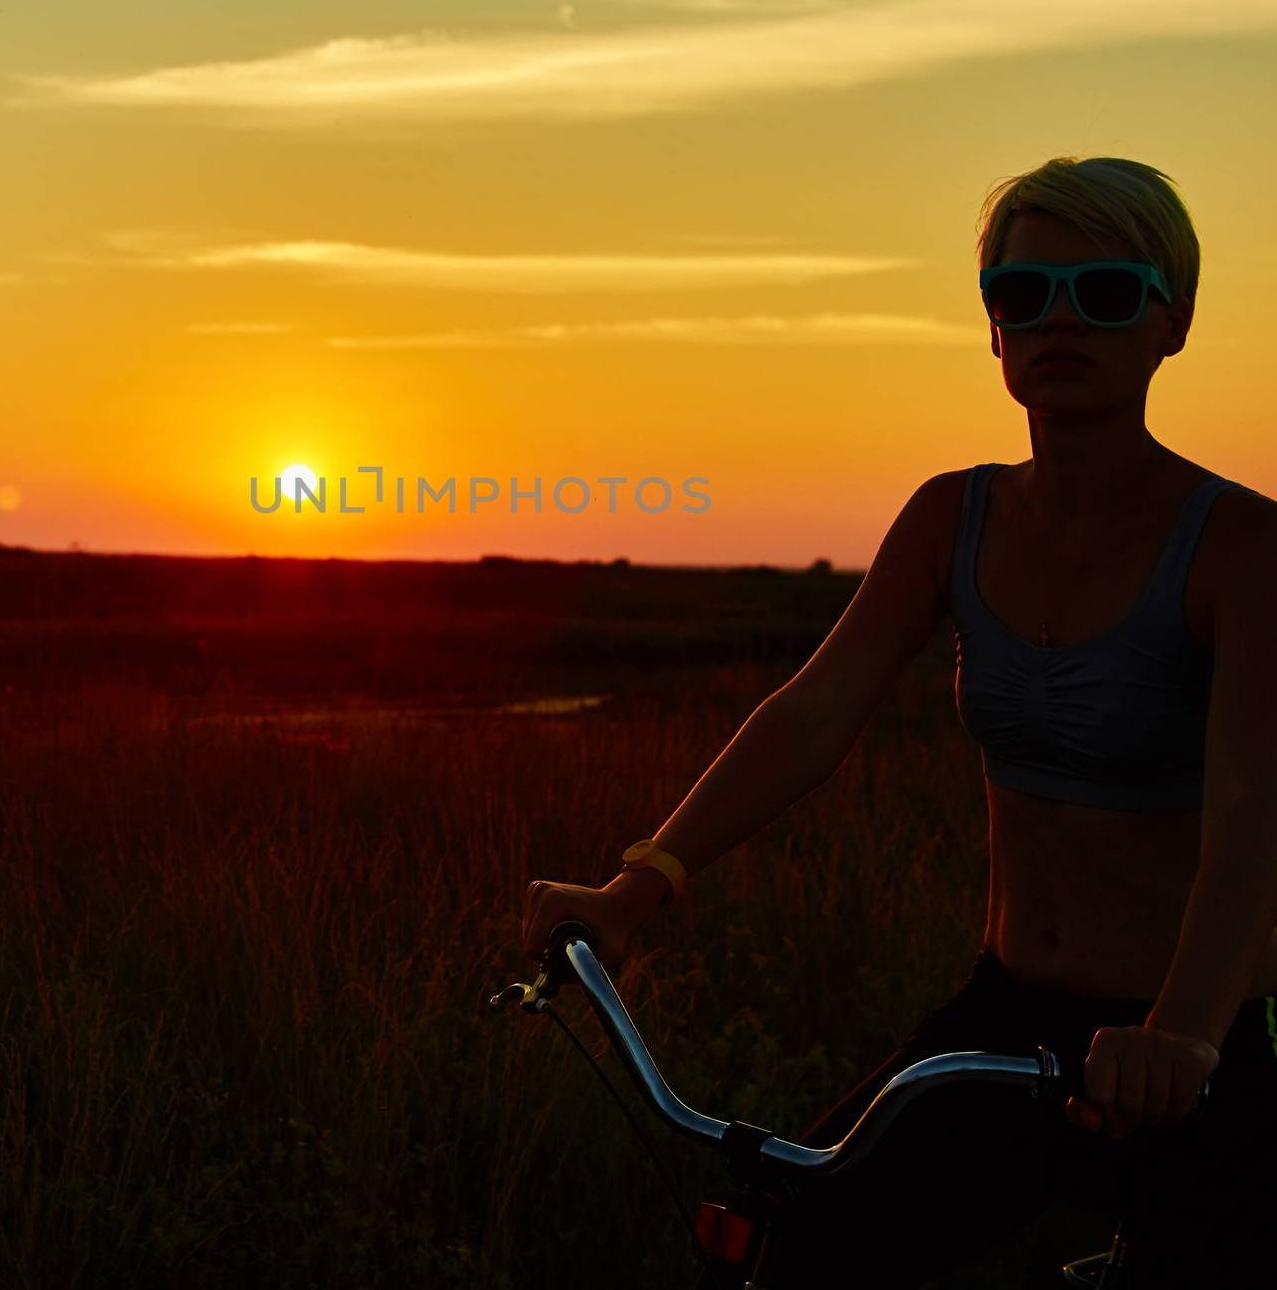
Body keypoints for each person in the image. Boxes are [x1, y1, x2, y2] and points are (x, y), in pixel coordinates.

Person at [520, 156, 1277, 1286]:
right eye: (1020, 295)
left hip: (1199, 1037)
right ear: (990, 329)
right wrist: (637, 886)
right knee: (807, 1249)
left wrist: (1182, 1033)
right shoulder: (950, 517)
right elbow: (812, 713)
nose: (1057, 320)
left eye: (1104, 292)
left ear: (1171, 319)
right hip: (1007, 1017)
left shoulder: (1241, 550)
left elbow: (1252, 815)